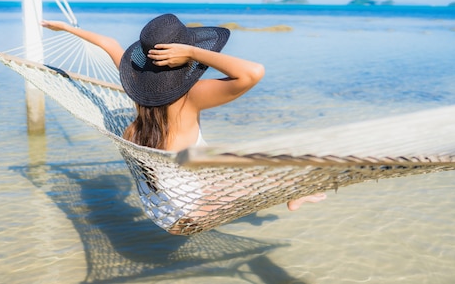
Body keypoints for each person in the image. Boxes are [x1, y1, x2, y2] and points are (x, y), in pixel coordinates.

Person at [41, 14, 326, 215]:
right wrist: (192, 51)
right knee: (275, 165)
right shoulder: (188, 99)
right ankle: (293, 192)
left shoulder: (136, 89)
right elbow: (253, 72)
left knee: (232, 165)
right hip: (189, 211)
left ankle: (293, 191)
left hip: (163, 206)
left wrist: (67, 28)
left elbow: (110, 45)